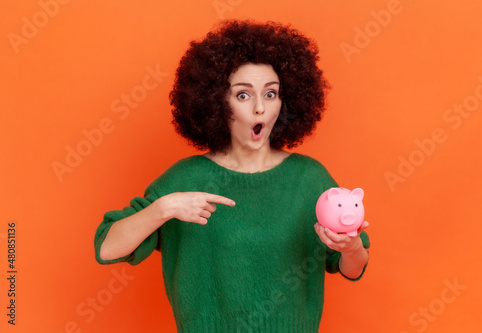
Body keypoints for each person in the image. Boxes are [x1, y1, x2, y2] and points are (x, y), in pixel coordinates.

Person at [94, 19, 370, 333]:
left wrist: (351, 248)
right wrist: (165, 208)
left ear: (286, 100)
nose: (258, 109)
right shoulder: (184, 180)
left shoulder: (309, 178)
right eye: (242, 95)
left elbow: (353, 269)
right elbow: (107, 248)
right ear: (216, 103)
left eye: (270, 94)